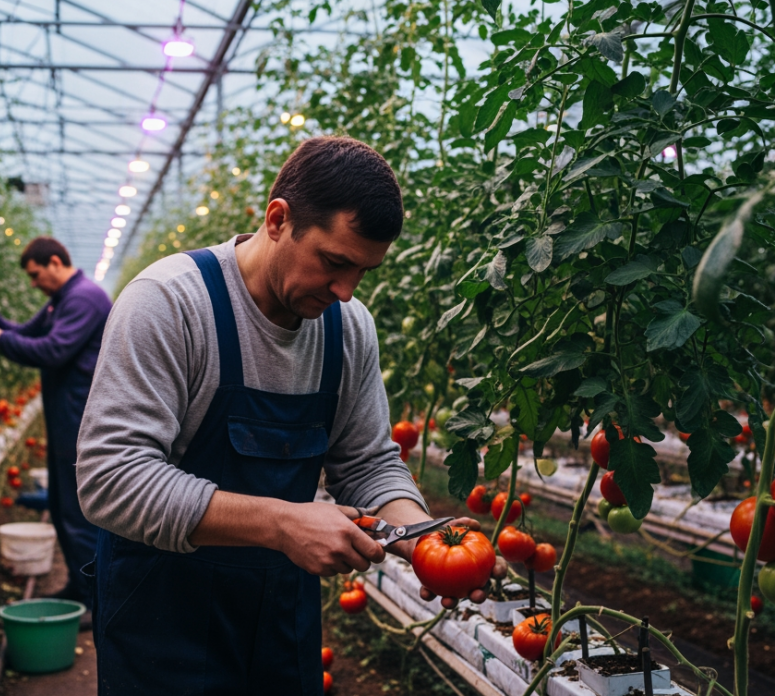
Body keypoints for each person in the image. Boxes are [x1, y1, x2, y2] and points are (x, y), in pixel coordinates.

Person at [76, 137, 484, 694]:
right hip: (161, 613)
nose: (345, 291)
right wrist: (282, 523)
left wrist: (420, 539)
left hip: (278, 618)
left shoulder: (349, 327)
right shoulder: (169, 303)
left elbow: (365, 462)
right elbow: (111, 479)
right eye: (335, 263)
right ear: (277, 219)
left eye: (363, 272)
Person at [0, 237, 111, 605]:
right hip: (66, 418)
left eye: (35, 275)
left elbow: (53, 350)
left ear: (55, 262)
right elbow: (28, 333)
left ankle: (96, 598)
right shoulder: (63, 299)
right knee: (63, 509)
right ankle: (81, 587)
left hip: (80, 421)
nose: (33, 283)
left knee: (79, 514)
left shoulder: (83, 298)